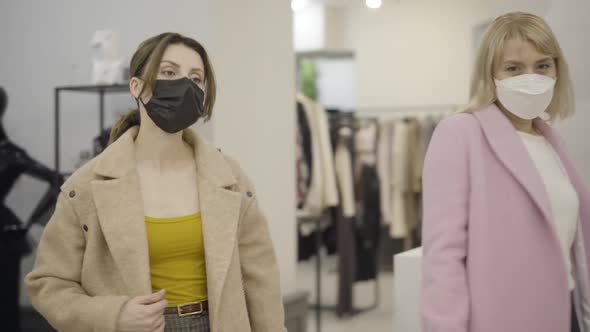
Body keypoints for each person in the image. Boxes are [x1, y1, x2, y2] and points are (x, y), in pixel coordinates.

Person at [25, 33, 286, 332]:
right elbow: (48, 283)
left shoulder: (229, 177)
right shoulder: (85, 187)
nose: (185, 85)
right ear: (136, 86)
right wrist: (114, 315)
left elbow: (260, 277)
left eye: (196, 78)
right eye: (169, 72)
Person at [421, 12, 590, 332]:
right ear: (490, 74)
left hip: (565, 311)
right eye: (514, 68)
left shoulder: (551, 140)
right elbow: (443, 258)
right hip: (504, 318)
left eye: (543, 65)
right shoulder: (459, 134)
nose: (532, 77)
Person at [0, 86, 63, 332]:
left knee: (4, 308)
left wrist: (19, 218)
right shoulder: (11, 154)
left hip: (5, 244)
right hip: (8, 240)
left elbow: (53, 181)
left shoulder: (10, 155)